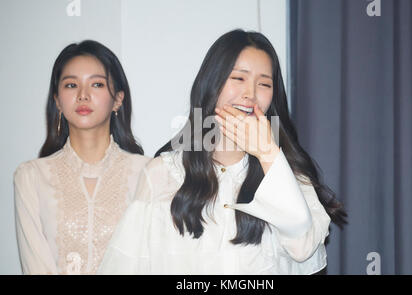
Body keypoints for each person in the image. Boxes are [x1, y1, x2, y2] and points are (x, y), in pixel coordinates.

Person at [98, 29, 346, 275]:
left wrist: (267, 152)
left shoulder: (285, 173)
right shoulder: (163, 173)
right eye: (239, 78)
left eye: (264, 83)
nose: (250, 94)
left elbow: (302, 247)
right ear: (212, 83)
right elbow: (124, 264)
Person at [13, 40, 150, 274]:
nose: (83, 95)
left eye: (96, 84)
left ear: (117, 99)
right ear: (57, 100)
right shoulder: (31, 177)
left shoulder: (148, 174)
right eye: (70, 85)